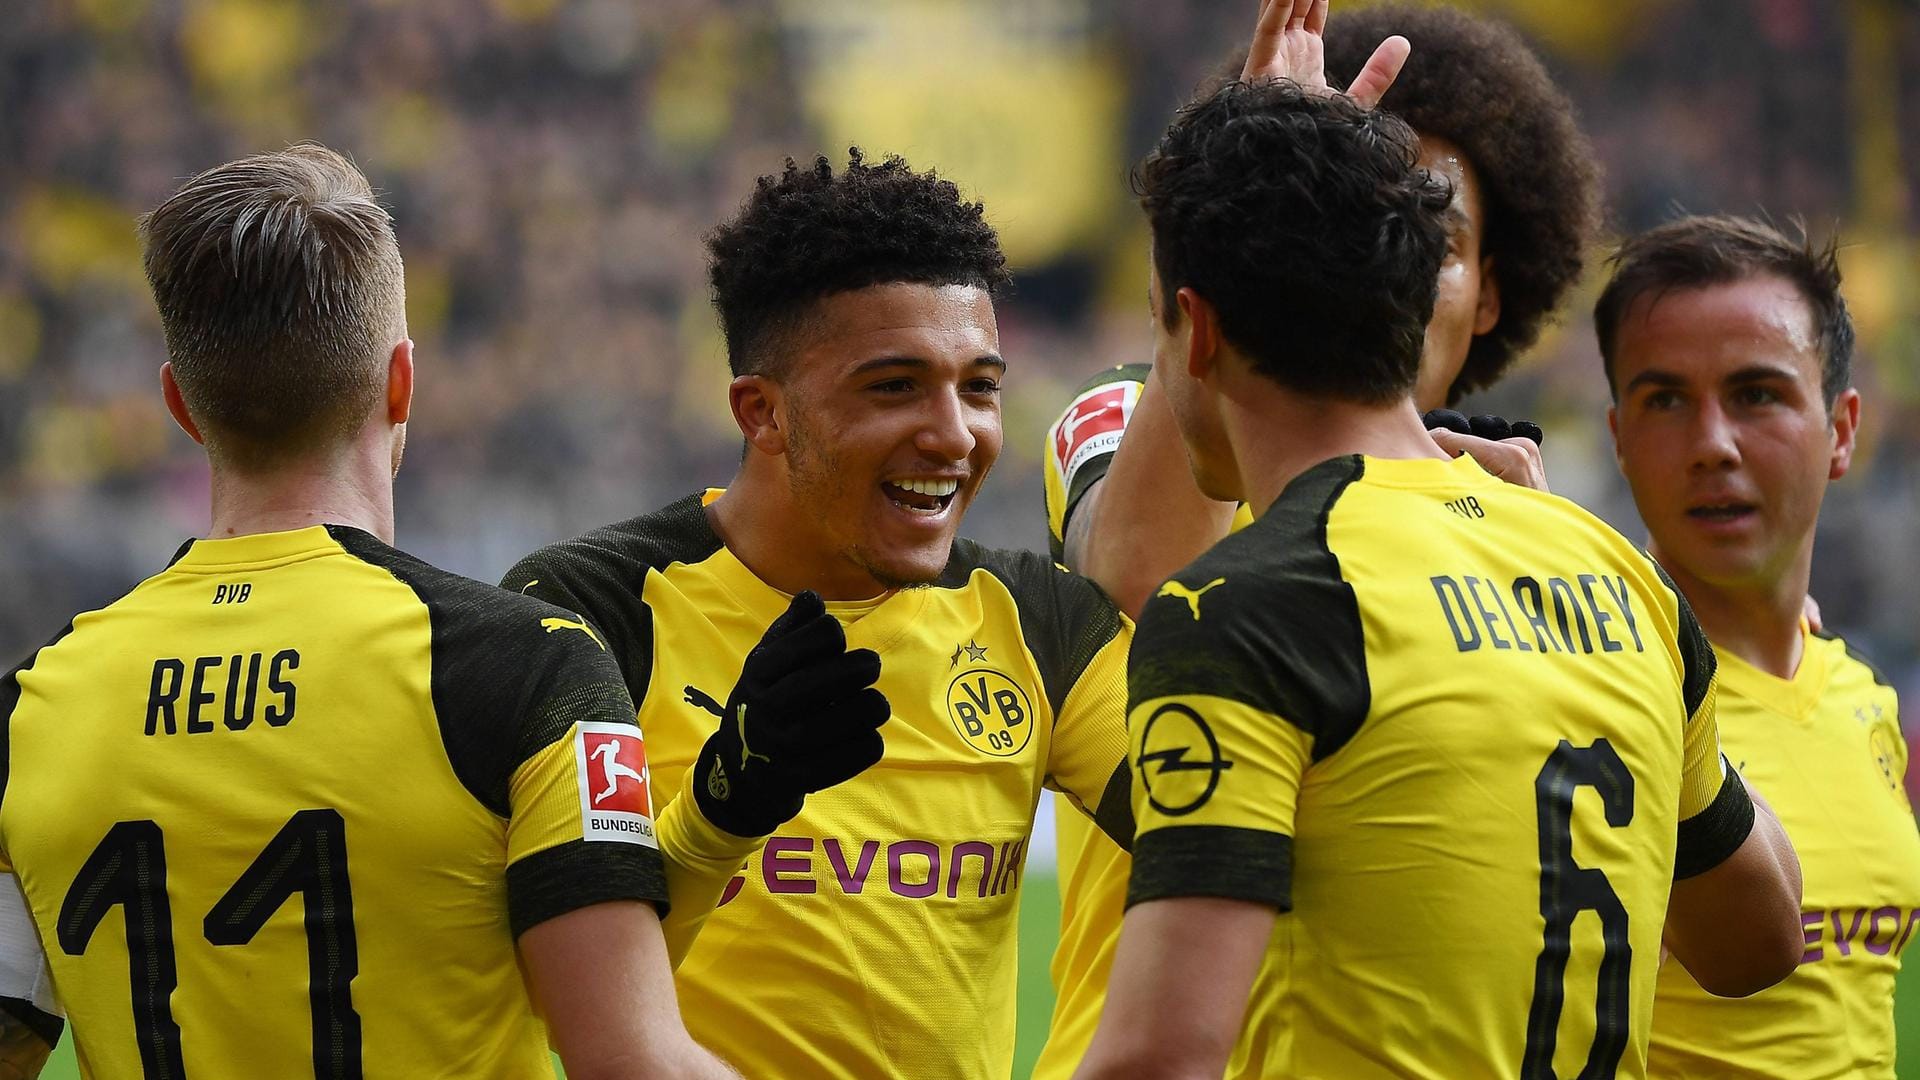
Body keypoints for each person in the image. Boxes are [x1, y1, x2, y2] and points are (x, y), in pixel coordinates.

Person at [0, 144, 877, 1079]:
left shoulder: (33, 709)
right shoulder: (530, 667)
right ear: (402, 382)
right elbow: (628, 1059)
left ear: (181, 403)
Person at [1071, 4, 1805, 1076]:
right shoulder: (1618, 577)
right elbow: (1763, 941)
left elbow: (1158, 1058)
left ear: (1200, 328)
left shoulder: (1251, 604)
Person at [1034, 5, 1601, 1073]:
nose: (1379, 250)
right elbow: (1139, 576)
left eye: (1433, 238)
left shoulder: (1534, 525)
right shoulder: (1138, 413)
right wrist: (1244, 210)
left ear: (1490, 296)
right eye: (1339, 214)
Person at [503, 150, 1137, 1080]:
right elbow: (557, 996)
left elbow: (1227, 829)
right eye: (894, 386)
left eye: (980, 387)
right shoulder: (589, 611)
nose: (954, 435)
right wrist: (720, 813)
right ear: (762, 413)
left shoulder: (1040, 621)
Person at [1597, 215, 1920, 1079]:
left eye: (1756, 395)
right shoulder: (1587, 695)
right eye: (1666, 400)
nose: (1712, 444)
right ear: (1619, 437)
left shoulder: (1861, 697)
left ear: (1842, 430)